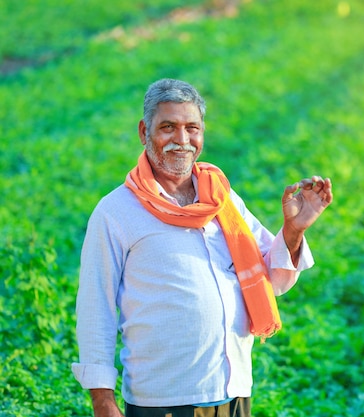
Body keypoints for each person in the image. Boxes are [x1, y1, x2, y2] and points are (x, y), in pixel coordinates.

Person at [72, 78, 333, 417]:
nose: (182, 140)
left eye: (192, 128)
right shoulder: (116, 212)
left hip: (232, 391)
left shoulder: (222, 198)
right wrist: (102, 400)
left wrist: (294, 231)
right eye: (168, 127)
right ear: (144, 132)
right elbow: (96, 308)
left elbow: (273, 278)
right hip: (162, 400)